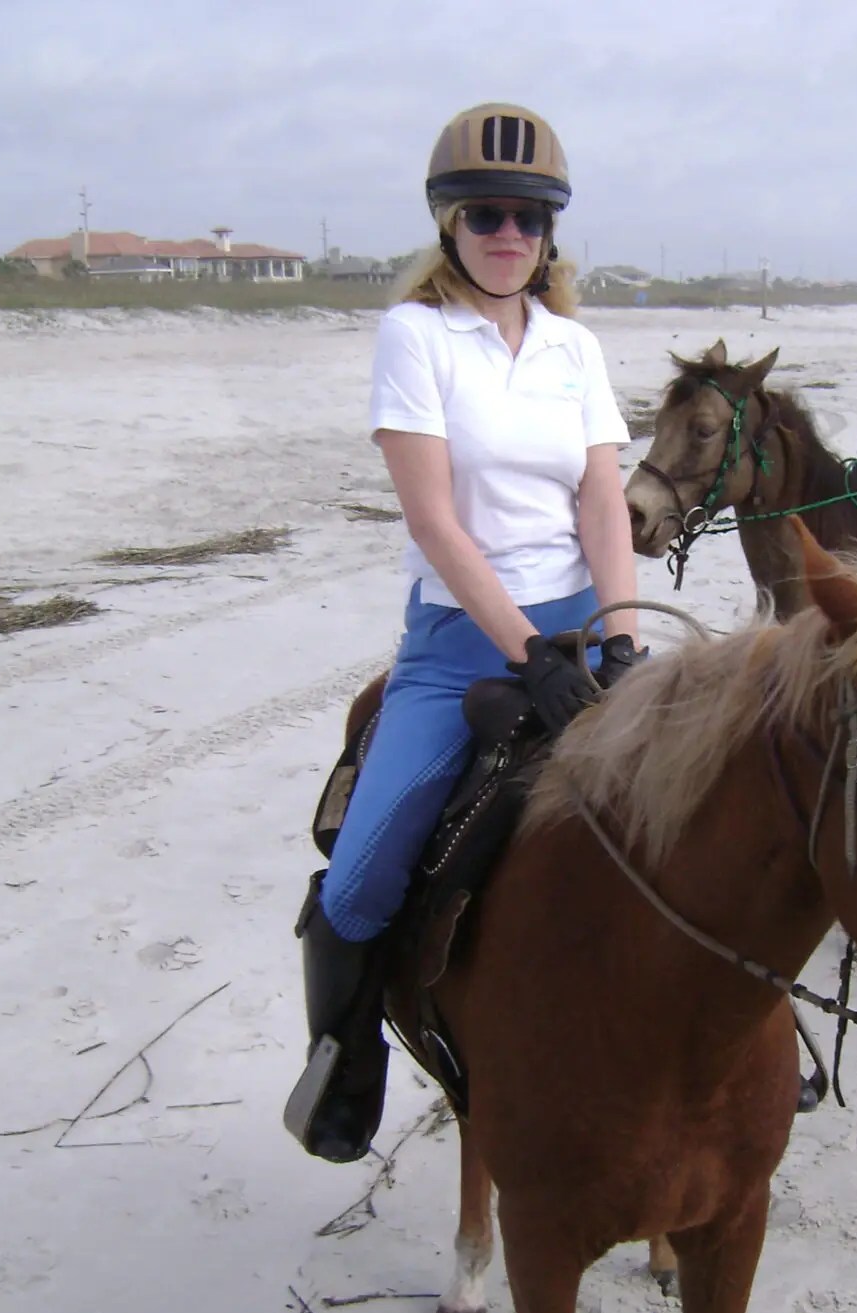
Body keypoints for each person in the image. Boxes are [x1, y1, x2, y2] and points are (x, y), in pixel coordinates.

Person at [287, 102, 642, 1163]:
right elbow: (435, 519)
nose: (508, 235)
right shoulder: (416, 336)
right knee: (359, 880)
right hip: (461, 638)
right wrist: (523, 648)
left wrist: (617, 639)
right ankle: (347, 1065)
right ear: (449, 223)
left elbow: (604, 502)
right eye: (486, 214)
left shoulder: (575, 346)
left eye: (529, 218)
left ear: (550, 234)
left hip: (582, 625)